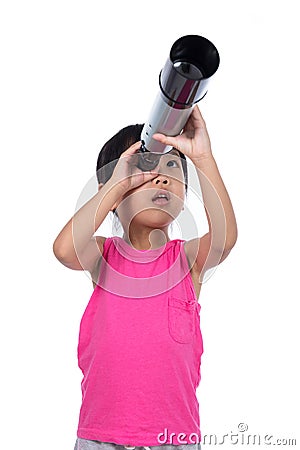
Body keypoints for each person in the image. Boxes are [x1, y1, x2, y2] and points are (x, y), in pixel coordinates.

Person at [53, 105, 238, 450]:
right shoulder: (103, 257)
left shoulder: (186, 261)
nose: (162, 176)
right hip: (102, 436)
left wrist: (202, 158)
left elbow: (225, 236)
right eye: (145, 168)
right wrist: (114, 186)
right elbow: (64, 250)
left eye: (172, 167)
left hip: (175, 437)